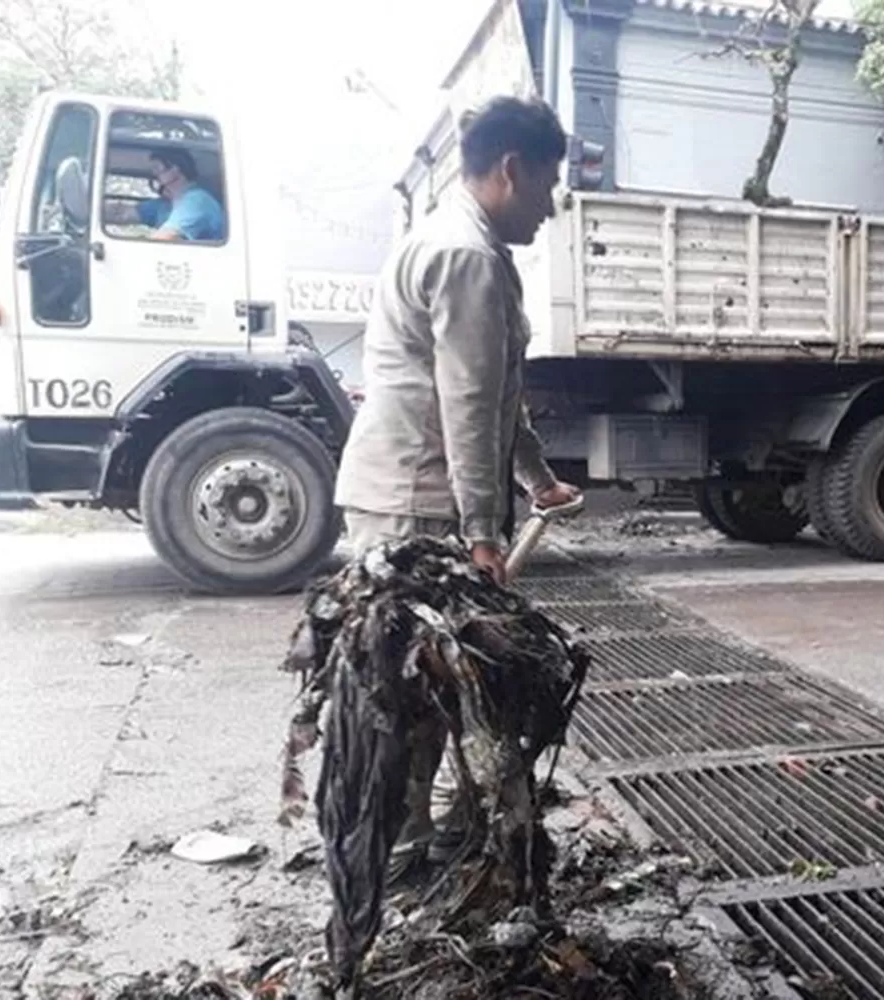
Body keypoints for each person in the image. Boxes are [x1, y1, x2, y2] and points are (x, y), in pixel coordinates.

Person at [332, 95, 580, 875]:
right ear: (512, 170)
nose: (551, 207)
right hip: (417, 500)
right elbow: (467, 403)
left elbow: (497, 393)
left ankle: (418, 843)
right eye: (548, 185)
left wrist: (538, 481)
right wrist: (481, 533)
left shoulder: (463, 243)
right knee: (409, 690)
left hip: (413, 489)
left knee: (432, 682)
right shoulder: (467, 255)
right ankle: (399, 858)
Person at [104, 148, 226, 242]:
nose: (154, 173)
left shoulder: (197, 200)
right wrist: (91, 212)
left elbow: (165, 237)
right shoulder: (164, 205)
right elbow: (122, 213)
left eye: (157, 167)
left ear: (175, 169)